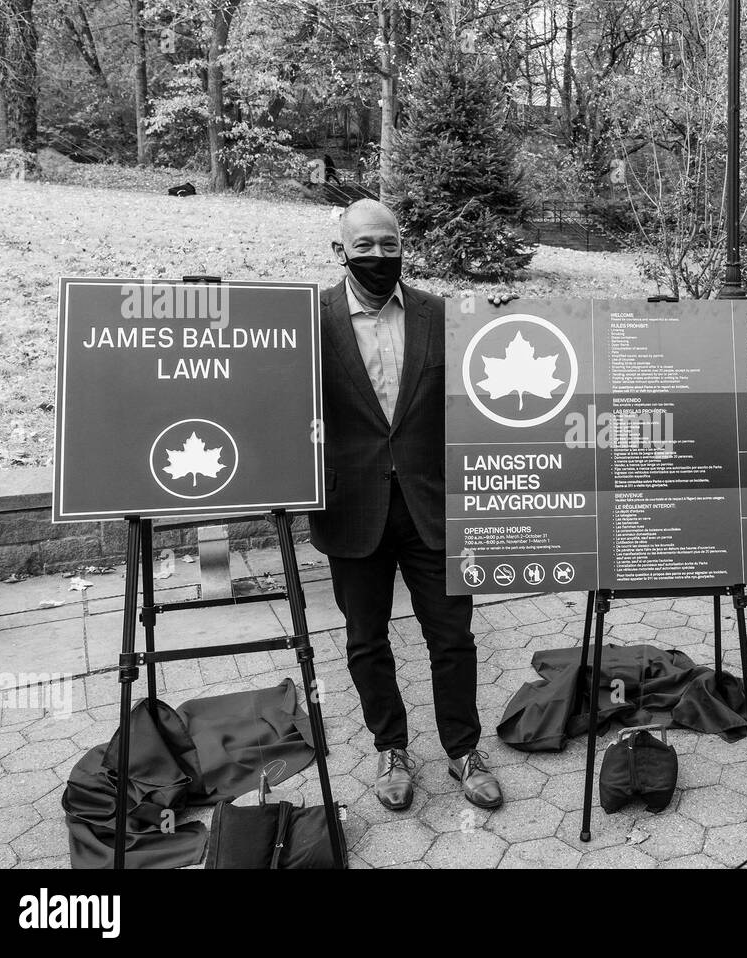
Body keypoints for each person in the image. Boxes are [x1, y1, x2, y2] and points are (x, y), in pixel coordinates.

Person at [311, 198, 507, 813]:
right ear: (340, 249)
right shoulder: (308, 320)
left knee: (453, 637)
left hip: (434, 506)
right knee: (366, 640)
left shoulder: (441, 315)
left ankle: (463, 748)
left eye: (387, 243)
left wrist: (506, 319)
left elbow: (488, 376)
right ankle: (390, 747)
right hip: (352, 509)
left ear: (403, 246)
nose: (377, 255)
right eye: (363, 244)